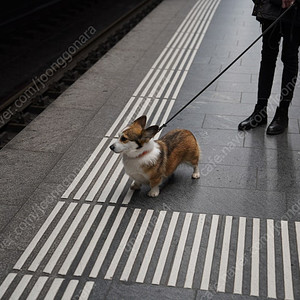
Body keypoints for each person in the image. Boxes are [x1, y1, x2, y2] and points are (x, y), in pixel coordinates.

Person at [238, 0, 300, 135]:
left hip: (294, 9)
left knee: (289, 58)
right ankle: (260, 110)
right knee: (267, 57)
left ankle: (282, 113)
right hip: (271, 7)